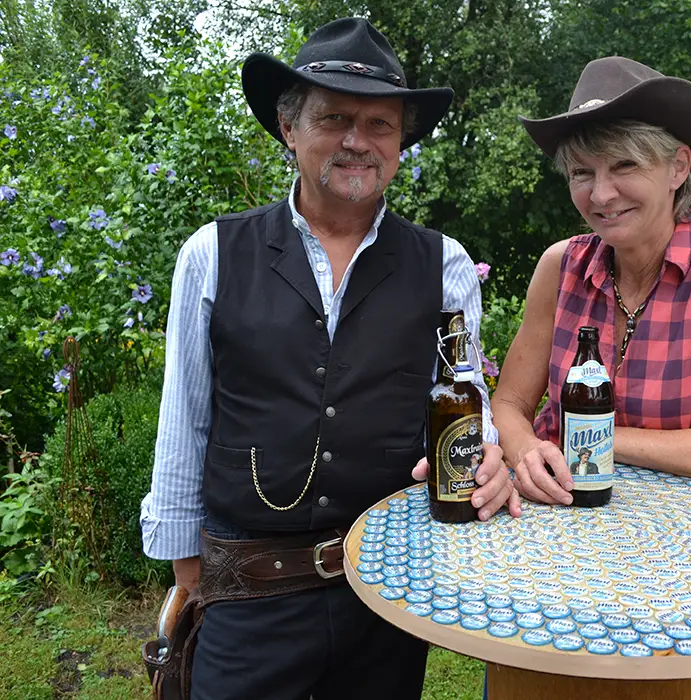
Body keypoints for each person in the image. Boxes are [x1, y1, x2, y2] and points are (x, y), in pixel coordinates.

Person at [139, 18, 519, 700]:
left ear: (398, 144)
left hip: (388, 586)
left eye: (379, 124)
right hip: (249, 587)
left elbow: (464, 396)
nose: (357, 140)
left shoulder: (446, 267)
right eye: (334, 117)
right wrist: (187, 571)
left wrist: (487, 454)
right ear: (289, 128)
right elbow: (184, 418)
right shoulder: (213, 254)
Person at [492, 56, 691, 506]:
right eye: (582, 172)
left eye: (625, 165)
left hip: (685, 523)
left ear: (678, 167)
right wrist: (527, 450)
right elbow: (509, 404)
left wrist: (584, 435)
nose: (601, 194)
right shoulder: (560, 266)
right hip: (559, 510)